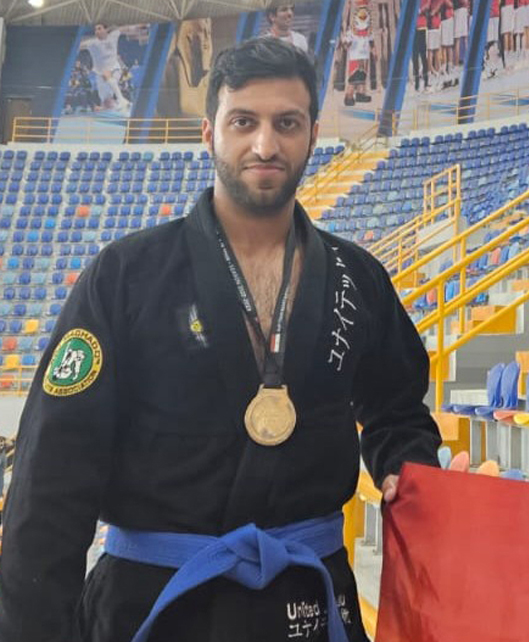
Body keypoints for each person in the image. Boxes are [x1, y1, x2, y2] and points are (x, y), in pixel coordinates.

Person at [0, 37, 441, 642]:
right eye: (244, 122)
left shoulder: (355, 276)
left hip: (306, 601)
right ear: (209, 132)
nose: (265, 144)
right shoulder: (126, 275)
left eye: (286, 123)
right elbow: (50, 481)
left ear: (313, 134)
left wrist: (407, 465)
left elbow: (396, 407)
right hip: (153, 603)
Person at [83, 23, 128, 112]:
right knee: (105, 101)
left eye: (99, 28)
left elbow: (124, 28)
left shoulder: (113, 36)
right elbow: (79, 46)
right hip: (99, 74)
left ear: (105, 30)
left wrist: (141, 26)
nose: (97, 31)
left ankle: (122, 100)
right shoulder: (92, 43)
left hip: (114, 69)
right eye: (95, 29)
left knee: (106, 73)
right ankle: (121, 109)